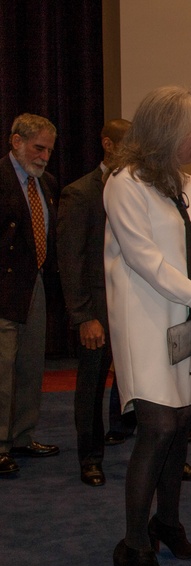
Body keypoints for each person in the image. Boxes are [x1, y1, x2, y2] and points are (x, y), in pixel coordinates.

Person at [104, 86, 191, 566]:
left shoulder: (190, 185)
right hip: (148, 324)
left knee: (183, 424)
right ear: (167, 131)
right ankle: (133, 546)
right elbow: (144, 259)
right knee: (158, 429)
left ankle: (167, 523)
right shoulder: (125, 184)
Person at [58, 118, 131, 487]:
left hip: (133, 307)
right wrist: (85, 315)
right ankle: (90, 457)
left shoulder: (137, 189)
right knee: (91, 385)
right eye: (127, 144)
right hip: (98, 311)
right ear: (107, 144)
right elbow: (70, 263)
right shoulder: (81, 193)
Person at [0, 114, 60, 478]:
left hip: (36, 284)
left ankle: (22, 436)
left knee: (30, 366)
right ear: (16, 141)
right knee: (2, 369)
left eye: (49, 151)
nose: (44, 157)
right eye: (39, 148)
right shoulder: (1, 178)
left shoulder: (47, 184)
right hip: (4, 287)